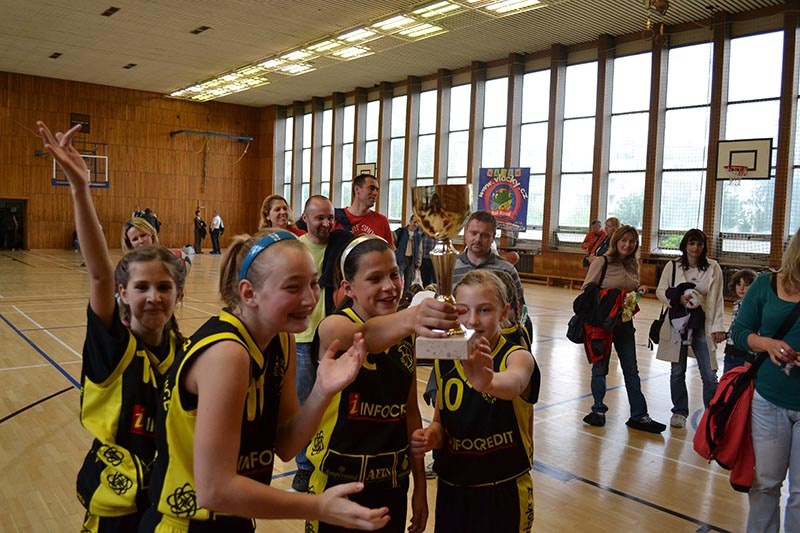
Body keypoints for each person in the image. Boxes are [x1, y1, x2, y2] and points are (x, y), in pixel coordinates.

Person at [142, 230, 391, 532]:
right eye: (293, 287)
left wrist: (321, 391)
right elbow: (214, 490)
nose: (310, 299)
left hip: (235, 519)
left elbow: (285, 445)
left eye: (313, 283)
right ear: (249, 293)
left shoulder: (281, 339)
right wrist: (318, 507)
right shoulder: (227, 354)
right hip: (187, 524)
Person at [37, 120, 188, 532]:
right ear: (123, 293)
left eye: (164, 287)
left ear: (179, 294)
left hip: (167, 496)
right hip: (116, 499)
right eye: (141, 287)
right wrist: (79, 188)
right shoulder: (112, 347)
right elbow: (100, 274)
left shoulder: (185, 351)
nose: (153, 297)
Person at [306, 235, 461, 533]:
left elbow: (410, 413)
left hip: (392, 485)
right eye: (375, 278)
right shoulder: (333, 327)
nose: (390, 286)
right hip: (339, 484)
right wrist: (414, 316)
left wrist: (419, 488)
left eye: (394, 274)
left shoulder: (405, 334)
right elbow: (367, 337)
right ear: (348, 288)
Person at [411, 270, 536, 533]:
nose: (473, 320)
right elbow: (441, 424)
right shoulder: (445, 359)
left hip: (503, 490)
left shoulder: (517, 356)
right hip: (454, 489)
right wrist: (431, 436)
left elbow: (514, 382)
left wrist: (487, 382)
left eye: (485, 310)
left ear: (504, 313)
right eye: (463, 310)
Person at [730, 227, 800, 532]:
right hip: (768, 401)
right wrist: (767, 344)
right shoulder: (764, 285)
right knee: (765, 483)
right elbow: (740, 331)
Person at [291, 195, 352, 492]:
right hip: (303, 340)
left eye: (330, 217)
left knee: (337, 404)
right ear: (305, 218)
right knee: (305, 405)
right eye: (320, 218)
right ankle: (304, 466)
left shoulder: (341, 247)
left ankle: (333, 459)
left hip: (334, 339)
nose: (327, 223)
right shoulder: (294, 249)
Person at [581, 225, 666, 433]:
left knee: (631, 369)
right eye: (624, 241)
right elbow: (587, 291)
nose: (628, 245)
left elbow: (630, 288)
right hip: (602, 324)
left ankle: (639, 415)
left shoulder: (633, 264)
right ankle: (598, 411)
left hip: (624, 324)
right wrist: (612, 297)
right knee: (599, 368)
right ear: (616, 241)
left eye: (632, 241)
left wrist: (638, 290)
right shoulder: (602, 262)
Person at [655, 228, 724, 429]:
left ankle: (712, 412)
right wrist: (677, 299)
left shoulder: (713, 267)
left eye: (699, 244)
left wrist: (718, 326)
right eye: (692, 243)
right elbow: (660, 291)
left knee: (709, 373)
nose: (695, 248)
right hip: (678, 324)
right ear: (685, 245)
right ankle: (679, 411)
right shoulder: (672, 266)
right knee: (677, 371)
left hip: (702, 324)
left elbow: (717, 299)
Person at [452, 211, 527, 320]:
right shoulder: (450, 266)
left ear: (493, 238)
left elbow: (517, 309)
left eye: (484, 235)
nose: (478, 239)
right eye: (474, 233)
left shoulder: (507, 270)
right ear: (465, 232)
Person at [334, 174, 394, 246]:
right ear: (357, 190)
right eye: (371, 188)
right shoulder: (336, 218)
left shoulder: (382, 221)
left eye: (377, 190)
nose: (375, 193)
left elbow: (390, 250)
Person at [122, 217, 191, 274]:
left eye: (143, 235)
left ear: (151, 234)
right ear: (130, 244)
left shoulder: (172, 258)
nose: (140, 241)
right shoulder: (126, 268)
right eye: (135, 239)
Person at [723, 268, 757, 373]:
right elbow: (735, 327)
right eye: (738, 284)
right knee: (727, 381)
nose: (741, 288)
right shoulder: (736, 304)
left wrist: (750, 357)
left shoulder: (755, 307)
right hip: (730, 352)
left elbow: (756, 332)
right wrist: (725, 335)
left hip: (743, 354)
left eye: (746, 285)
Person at [393, 215, 420, 292]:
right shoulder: (400, 232)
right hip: (401, 260)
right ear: (410, 221)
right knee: (398, 279)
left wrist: (418, 262)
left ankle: (406, 296)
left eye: (417, 223)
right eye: (414, 222)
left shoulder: (417, 236)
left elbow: (419, 249)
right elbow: (392, 241)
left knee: (409, 281)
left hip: (411, 260)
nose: (416, 224)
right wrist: (396, 252)